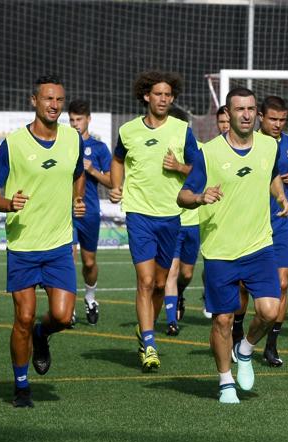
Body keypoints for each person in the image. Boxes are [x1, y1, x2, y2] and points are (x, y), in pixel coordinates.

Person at [177, 87, 288, 404]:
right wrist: (200, 197)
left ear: (257, 113)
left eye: (251, 109)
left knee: (269, 310)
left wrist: (279, 194)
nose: (245, 114)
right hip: (220, 251)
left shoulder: (270, 146)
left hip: (259, 245)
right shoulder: (209, 152)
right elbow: (182, 196)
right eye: (239, 109)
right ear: (227, 113)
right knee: (223, 319)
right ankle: (225, 381)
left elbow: (270, 175)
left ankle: (245, 348)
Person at [0, 75, 85, 407]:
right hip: (24, 246)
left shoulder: (73, 139)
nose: (54, 105)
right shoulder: (14, 144)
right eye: (48, 99)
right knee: (23, 317)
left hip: (58, 245)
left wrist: (77, 200)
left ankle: (43, 337)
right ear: (33, 101)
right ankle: (21, 386)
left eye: (59, 100)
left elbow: (78, 173)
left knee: (63, 317)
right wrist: (8, 204)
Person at [109, 70, 199, 370]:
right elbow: (118, 159)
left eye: (168, 95)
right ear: (146, 96)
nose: (163, 99)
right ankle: (149, 342)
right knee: (146, 281)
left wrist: (179, 167)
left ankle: (143, 328)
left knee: (161, 284)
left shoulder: (182, 129)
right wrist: (116, 186)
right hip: (139, 214)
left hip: (171, 216)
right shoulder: (128, 131)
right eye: (158, 94)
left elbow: (199, 169)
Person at [231, 96, 288, 367]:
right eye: (273, 119)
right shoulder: (249, 143)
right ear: (261, 117)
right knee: (242, 286)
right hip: (251, 223)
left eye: (283, 120)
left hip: (281, 223)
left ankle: (271, 345)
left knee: (282, 284)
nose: (278, 124)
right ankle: (237, 332)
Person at [68, 99, 112, 325]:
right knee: (68, 258)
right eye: (72, 120)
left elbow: (112, 181)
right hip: (66, 212)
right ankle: (68, 306)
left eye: (79, 120)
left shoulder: (99, 148)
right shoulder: (63, 145)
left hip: (90, 212)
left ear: (88, 120)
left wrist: (92, 168)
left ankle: (91, 298)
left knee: (88, 262)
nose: (75, 124)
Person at [163, 106, 200, 335]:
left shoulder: (196, 147)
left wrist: (178, 167)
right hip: (171, 219)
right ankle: (170, 321)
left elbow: (200, 173)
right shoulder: (159, 146)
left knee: (186, 274)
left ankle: (180, 295)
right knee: (172, 271)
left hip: (193, 220)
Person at [201, 105, 232, 320]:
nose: (224, 125)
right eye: (221, 122)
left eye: (227, 122)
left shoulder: (250, 148)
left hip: (236, 214)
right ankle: (210, 292)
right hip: (211, 215)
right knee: (213, 263)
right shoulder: (208, 150)